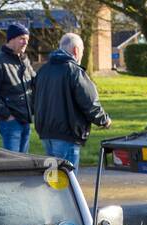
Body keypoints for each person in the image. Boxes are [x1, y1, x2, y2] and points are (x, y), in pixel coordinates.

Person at [32, 32, 111, 170]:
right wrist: (103, 120)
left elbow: (34, 98)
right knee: (68, 179)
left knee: (54, 178)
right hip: (66, 133)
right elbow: (89, 101)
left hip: (45, 131)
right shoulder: (74, 71)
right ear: (76, 50)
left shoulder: (43, 70)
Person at [0, 23, 36, 153]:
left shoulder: (25, 61)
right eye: (22, 38)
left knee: (24, 163)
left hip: (26, 119)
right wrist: (6, 114)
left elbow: (34, 82)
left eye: (27, 40)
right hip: (11, 122)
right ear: (11, 39)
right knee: (12, 163)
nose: (25, 43)